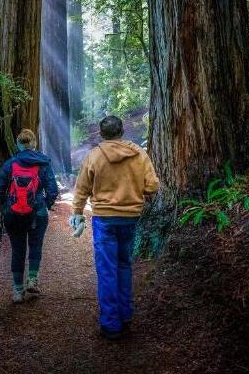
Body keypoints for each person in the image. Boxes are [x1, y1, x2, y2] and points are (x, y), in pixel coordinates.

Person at [71, 115, 160, 339]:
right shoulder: (139, 154)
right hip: (130, 218)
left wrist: (78, 212)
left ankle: (111, 324)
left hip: (104, 220)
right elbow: (152, 186)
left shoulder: (94, 156)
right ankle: (125, 315)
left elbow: (81, 188)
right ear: (122, 132)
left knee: (107, 270)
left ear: (102, 134)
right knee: (124, 265)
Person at [0, 129, 59, 303]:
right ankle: (32, 280)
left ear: (18, 144)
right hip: (37, 212)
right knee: (35, 245)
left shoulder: (10, 164)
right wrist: (45, 205)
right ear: (34, 143)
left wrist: (5, 208)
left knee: (17, 249)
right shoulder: (43, 163)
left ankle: (17, 291)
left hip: (13, 214)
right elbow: (53, 190)